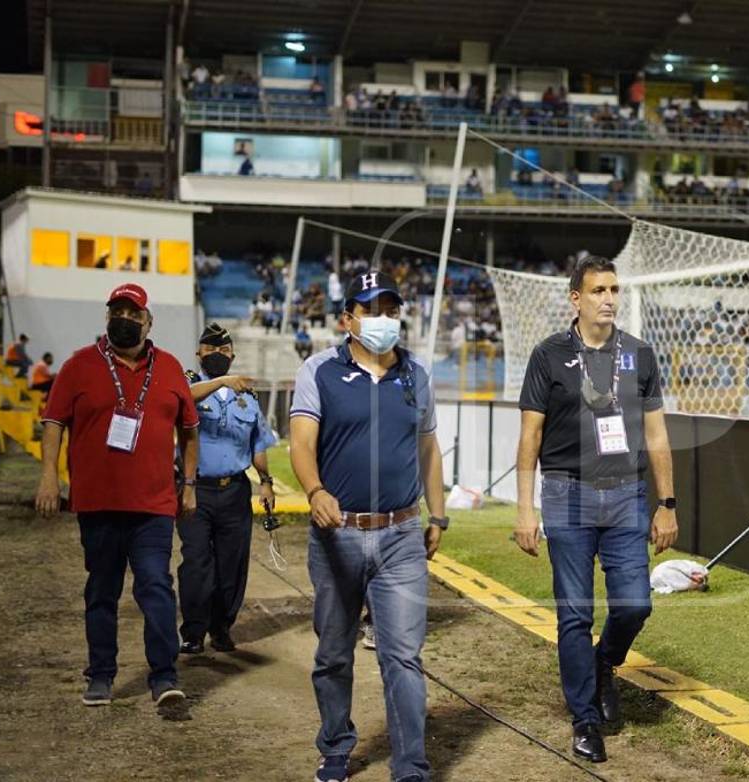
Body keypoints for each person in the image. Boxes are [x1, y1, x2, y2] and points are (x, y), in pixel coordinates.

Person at [513, 255, 680, 764]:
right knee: (574, 615)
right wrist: (525, 508)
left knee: (635, 605)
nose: (609, 298)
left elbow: (656, 435)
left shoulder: (640, 354)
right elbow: (530, 436)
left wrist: (667, 503)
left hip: (627, 494)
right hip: (566, 493)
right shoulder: (547, 356)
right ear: (576, 299)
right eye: (599, 290)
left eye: (614, 289)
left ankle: (605, 662)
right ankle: (585, 720)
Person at [289, 270, 447, 782]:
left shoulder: (416, 375)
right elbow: (301, 444)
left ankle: (411, 767)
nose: (383, 319)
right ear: (347, 319)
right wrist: (315, 491)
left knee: (403, 657)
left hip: (402, 535)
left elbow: (428, 448)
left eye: (391, 309)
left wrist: (438, 513)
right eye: (371, 308)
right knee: (334, 651)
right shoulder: (318, 370)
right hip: (337, 535)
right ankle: (336, 746)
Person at [35, 283, 199, 712]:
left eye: (133, 313)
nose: (124, 319)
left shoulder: (170, 368)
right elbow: (53, 422)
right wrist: (49, 477)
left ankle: (164, 677)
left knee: (156, 589)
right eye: (117, 312)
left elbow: (190, 428)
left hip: (153, 506)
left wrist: (191, 484)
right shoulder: (79, 366)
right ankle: (101, 675)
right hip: (97, 504)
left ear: (149, 321)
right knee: (102, 591)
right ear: (108, 317)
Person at [177, 323, 278, 655]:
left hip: (235, 491)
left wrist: (265, 482)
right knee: (196, 563)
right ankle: (193, 632)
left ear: (232, 354)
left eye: (223, 351)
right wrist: (220, 382)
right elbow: (184, 403)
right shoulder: (187, 386)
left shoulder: (246, 397)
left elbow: (257, 444)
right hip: (195, 489)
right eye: (210, 350)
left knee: (231, 565)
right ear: (199, 353)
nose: (217, 355)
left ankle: (221, 628)